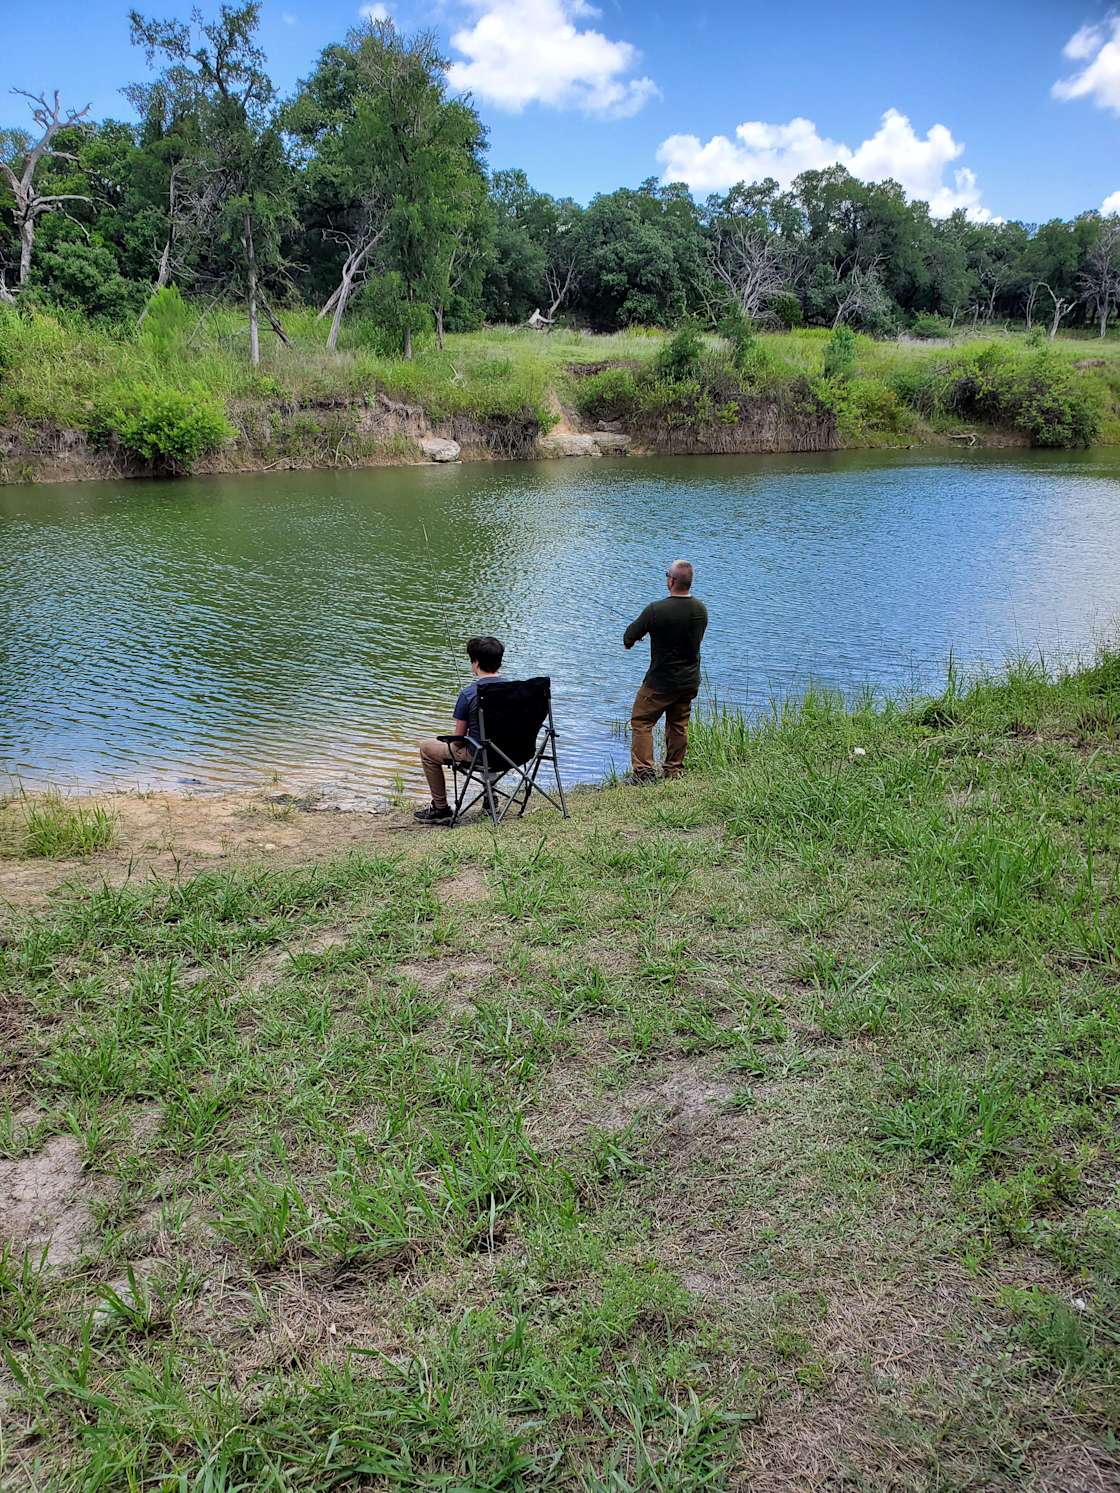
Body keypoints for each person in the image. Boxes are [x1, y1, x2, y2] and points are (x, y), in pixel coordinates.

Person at [623, 560, 708, 782]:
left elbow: (628, 637)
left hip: (660, 682)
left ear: (671, 580)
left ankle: (643, 773)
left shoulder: (655, 610)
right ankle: (674, 770)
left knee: (641, 721)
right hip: (688, 681)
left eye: (666, 575)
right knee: (678, 725)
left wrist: (643, 633)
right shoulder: (700, 610)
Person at [414, 634, 505, 823]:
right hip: (511, 755)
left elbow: (457, 740)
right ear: (499, 661)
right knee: (488, 740)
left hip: (482, 755)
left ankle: (440, 808)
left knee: (426, 748)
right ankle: (490, 798)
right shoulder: (515, 689)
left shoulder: (469, 694)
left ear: (476, 663)